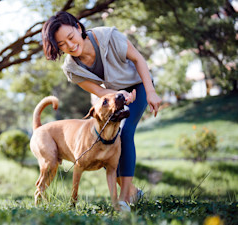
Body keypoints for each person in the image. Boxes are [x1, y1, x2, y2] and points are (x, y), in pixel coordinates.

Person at [42, 11, 162, 211]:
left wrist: (150, 91)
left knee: (124, 132)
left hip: (139, 85)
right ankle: (133, 192)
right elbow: (99, 91)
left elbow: (139, 59)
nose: (70, 46)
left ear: (79, 28)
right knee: (105, 142)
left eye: (71, 38)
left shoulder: (109, 36)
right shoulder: (71, 68)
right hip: (110, 97)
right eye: (62, 45)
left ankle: (125, 197)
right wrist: (119, 96)